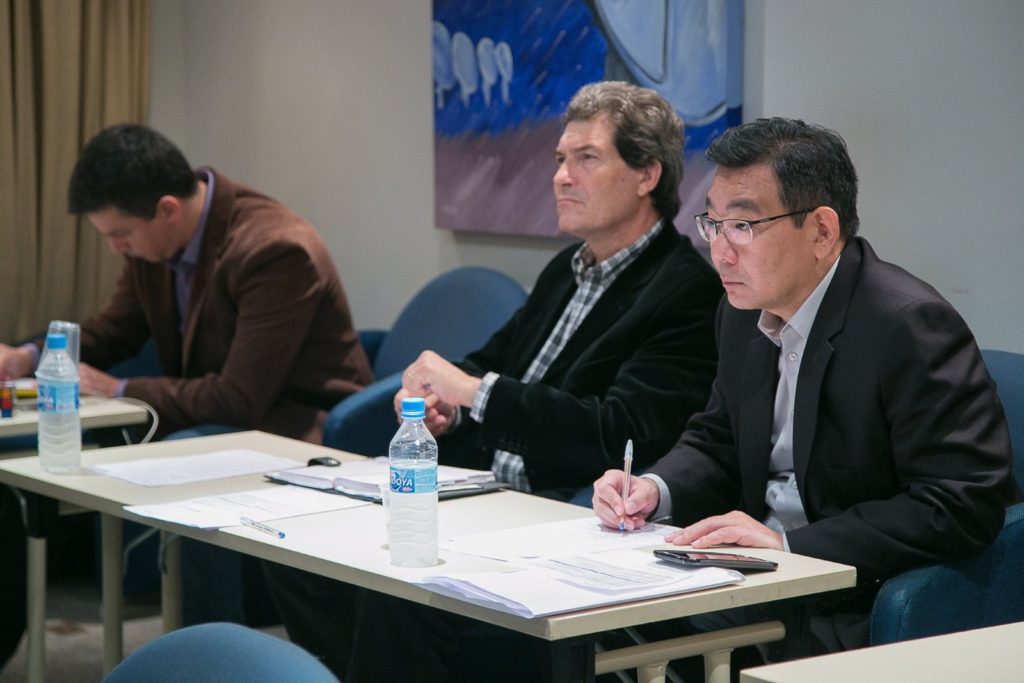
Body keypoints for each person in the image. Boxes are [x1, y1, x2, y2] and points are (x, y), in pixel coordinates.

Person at [263, 81, 725, 679]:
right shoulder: (568, 269)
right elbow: (490, 362)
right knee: (299, 554)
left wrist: (470, 392)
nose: (561, 177)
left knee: (401, 597)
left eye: (586, 158)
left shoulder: (686, 292)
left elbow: (616, 432)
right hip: (487, 500)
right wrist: (446, 407)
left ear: (647, 175)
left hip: (562, 520)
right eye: (560, 158)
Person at [592, 116, 1018, 672]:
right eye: (712, 224)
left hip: (850, 593)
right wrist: (653, 488)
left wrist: (791, 545)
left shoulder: (907, 326)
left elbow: (961, 503)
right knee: (596, 629)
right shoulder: (740, 311)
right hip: (752, 580)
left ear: (821, 230)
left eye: (742, 226)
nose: (720, 252)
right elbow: (718, 437)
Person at [0, 124, 373, 663]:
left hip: (301, 430)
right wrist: (30, 356)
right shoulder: (156, 244)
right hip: (224, 420)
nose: (115, 247)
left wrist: (119, 388)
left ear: (168, 209)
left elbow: (240, 398)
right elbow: (116, 330)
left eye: (120, 235)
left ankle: (213, 662)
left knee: (191, 471)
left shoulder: (275, 249)